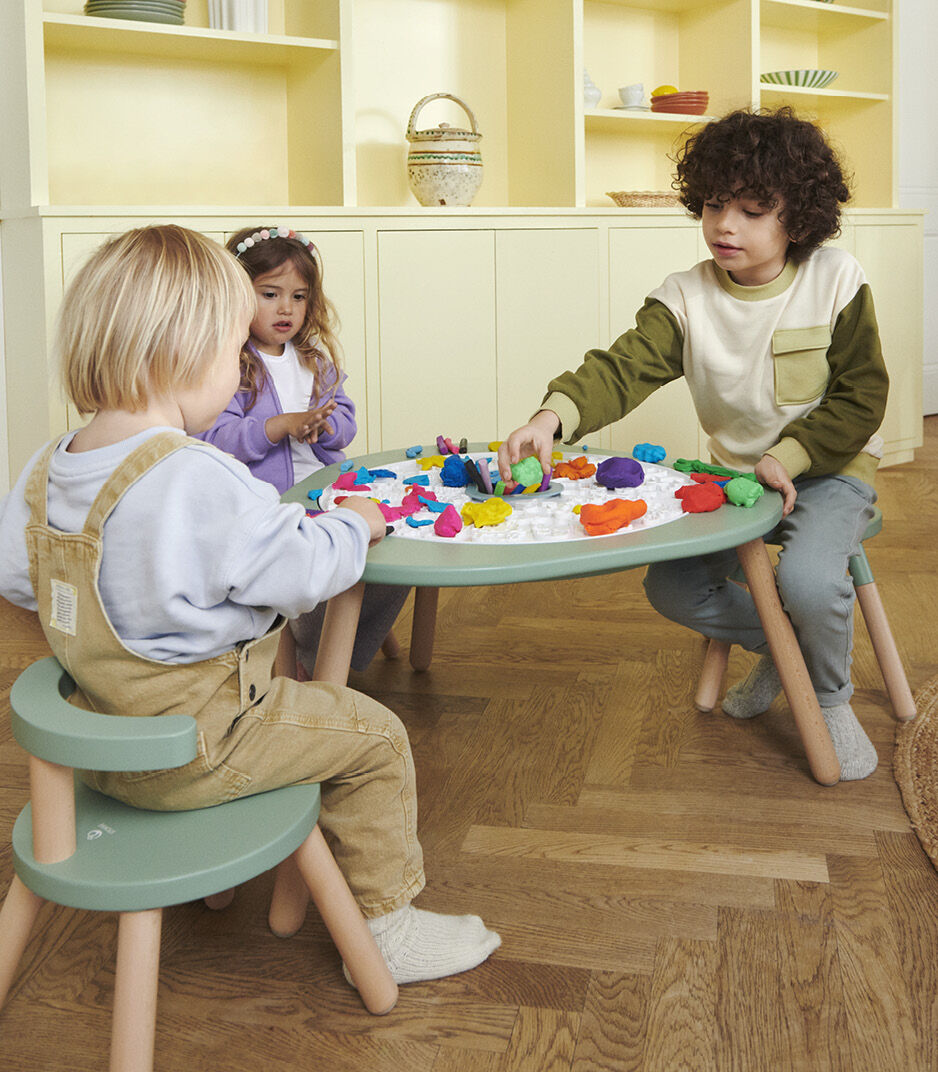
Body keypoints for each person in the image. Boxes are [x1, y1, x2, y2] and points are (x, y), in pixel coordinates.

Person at [0, 224, 499, 984]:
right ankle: (389, 925)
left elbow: (18, 579)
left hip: (96, 755)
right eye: (234, 350)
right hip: (203, 746)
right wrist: (353, 524)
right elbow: (303, 574)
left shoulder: (45, 467)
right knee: (376, 737)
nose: (241, 371)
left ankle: (223, 860)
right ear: (184, 355)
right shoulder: (198, 476)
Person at [498, 107, 888, 781]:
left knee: (808, 577)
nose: (724, 226)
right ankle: (788, 648)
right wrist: (551, 418)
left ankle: (827, 698)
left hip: (828, 471)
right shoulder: (684, 297)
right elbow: (620, 368)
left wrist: (789, 456)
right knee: (674, 587)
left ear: (799, 216)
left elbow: (862, 399)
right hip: (736, 478)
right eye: (712, 205)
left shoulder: (837, 280)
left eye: (752, 210)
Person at [197, 225, 408, 676]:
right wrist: (278, 427)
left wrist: (324, 425)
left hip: (324, 494)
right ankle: (316, 648)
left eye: (298, 297)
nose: (286, 309)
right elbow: (216, 440)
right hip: (269, 509)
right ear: (238, 295)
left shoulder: (314, 360)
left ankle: (335, 646)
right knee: (326, 562)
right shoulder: (229, 367)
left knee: (392, 547)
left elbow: (346, 423)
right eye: (270, 294)